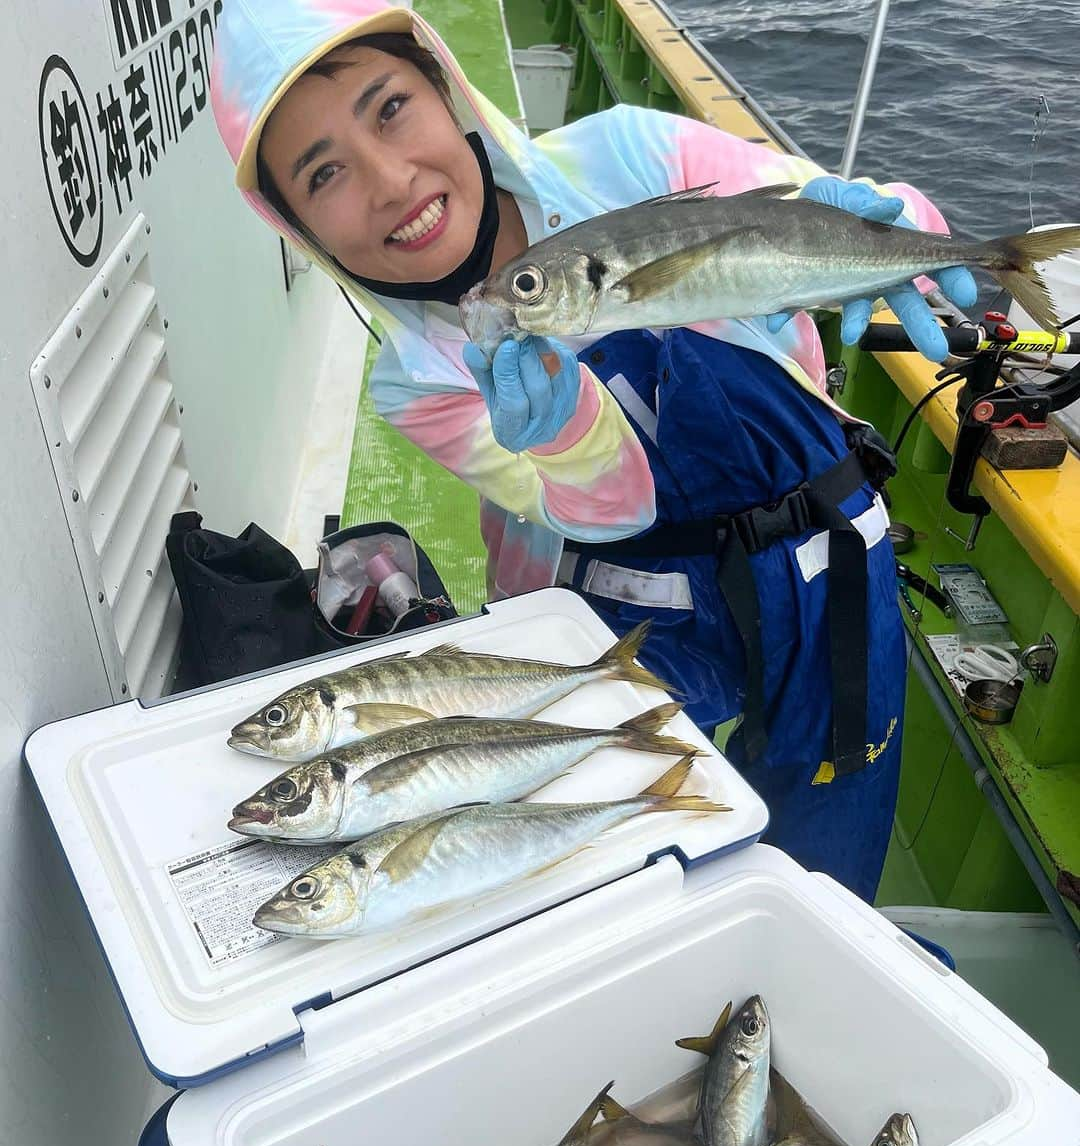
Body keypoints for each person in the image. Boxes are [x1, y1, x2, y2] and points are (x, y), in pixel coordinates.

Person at [209, 0, 976, 900]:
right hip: (621, 602)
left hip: (824, 553)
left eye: (390, 108)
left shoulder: (633, 156)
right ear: (299, 226)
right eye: (324, 172)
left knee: (829, 844)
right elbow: (620, 511)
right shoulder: (418, 380)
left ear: (446, 90)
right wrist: (567, 429)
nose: (388, 180)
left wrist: (899, 232)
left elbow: (822, 206)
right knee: (616, 851)